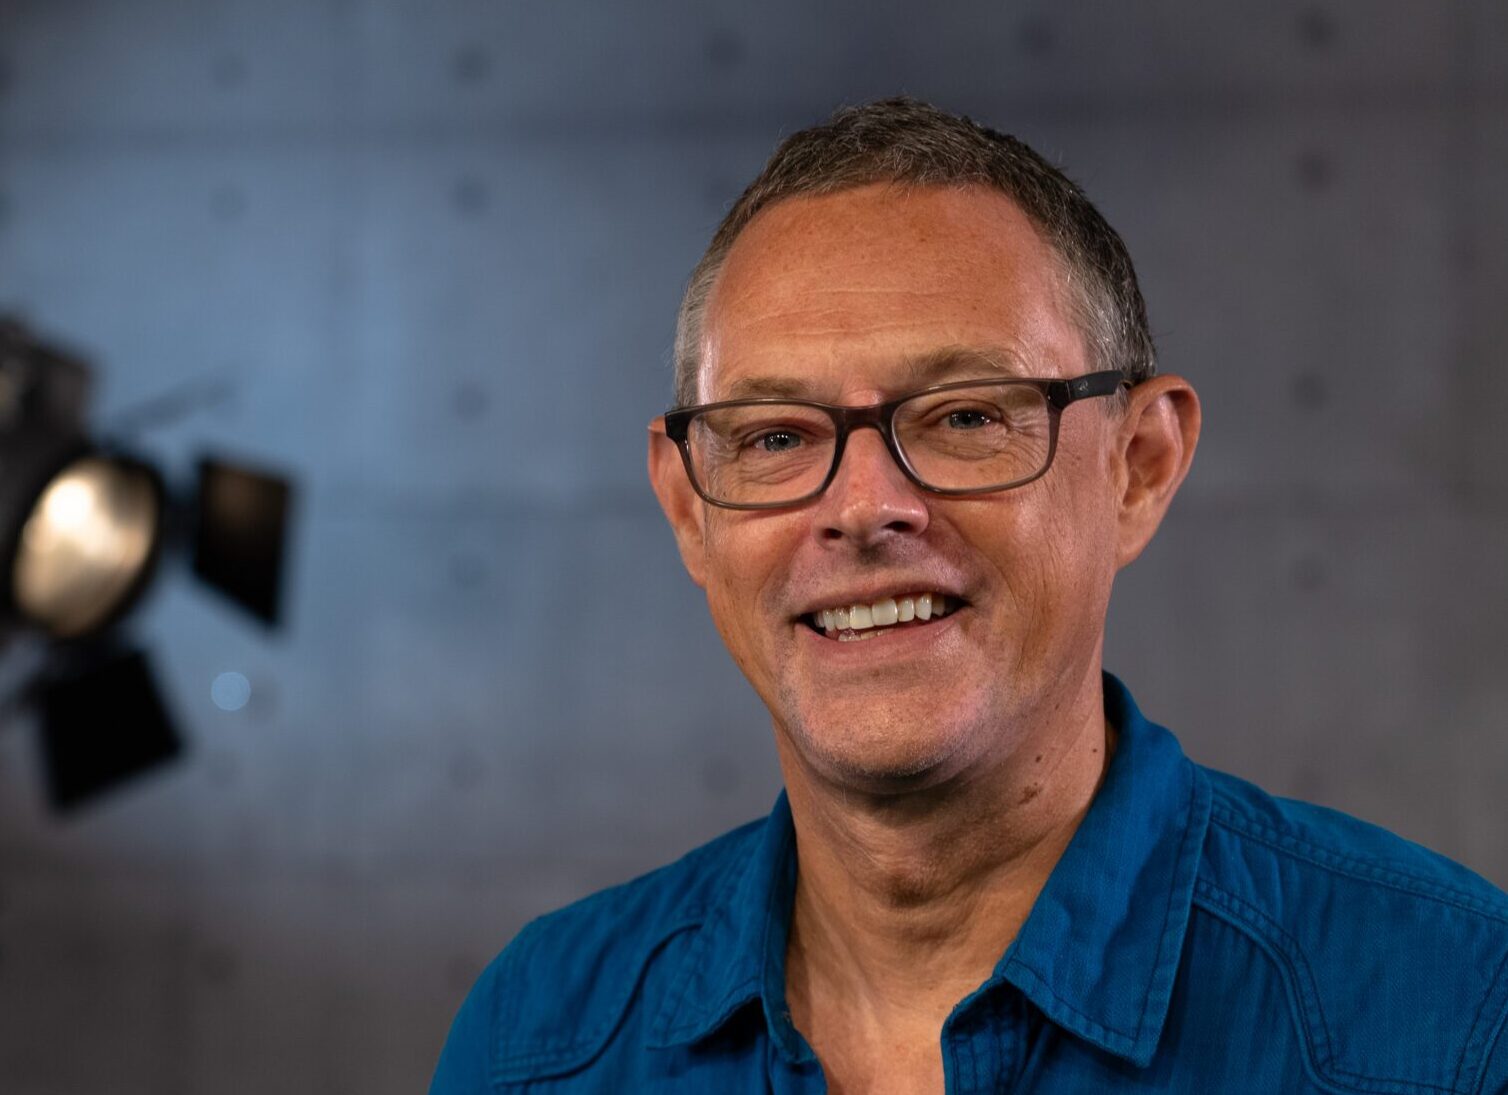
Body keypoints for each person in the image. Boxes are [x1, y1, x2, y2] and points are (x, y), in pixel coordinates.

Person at [430, 98, 1508, 1093]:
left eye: (963, 417)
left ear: (1136, 464)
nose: (862, 507)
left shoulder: (1454, 1015)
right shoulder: (539, 1043)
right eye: (771, 437)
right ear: (687, 511)